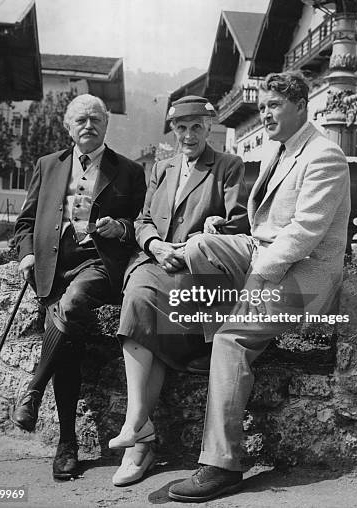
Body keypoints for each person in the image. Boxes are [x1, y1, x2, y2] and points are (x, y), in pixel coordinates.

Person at [168, 71, 351, 502]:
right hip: (266, 254)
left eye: (274, 106)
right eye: (264, 105)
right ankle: (208, 343)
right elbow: (266, 223)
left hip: (303, 277)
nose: (265, 113)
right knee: (200, 248)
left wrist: (256, 280)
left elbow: (303, 232)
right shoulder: (284, 150)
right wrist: (222, 228)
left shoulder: (324, 155)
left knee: (233, 339)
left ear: (301, 105)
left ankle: (221, 465)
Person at [109, 95, 249, 486]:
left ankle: (138, 436)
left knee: (151, 312)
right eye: (181, 128)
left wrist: (206, 234)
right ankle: (139, 426)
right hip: (155, 262)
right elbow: (142, 219)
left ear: (209, 129)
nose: (188, 135)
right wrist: (154, 244)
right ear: (173, 130)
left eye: (196, 127)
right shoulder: (162, 167)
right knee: (137, 295)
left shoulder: (227, 166)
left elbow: (239, 225)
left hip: (196, 271)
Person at [12, 94, 146, 481]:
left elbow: (140, 223)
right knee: (64, 340)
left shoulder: (129, 171)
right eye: (80, 120)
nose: (88, 126)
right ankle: (66, 443)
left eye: (95, 120)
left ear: (106, 125)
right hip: (53, 266)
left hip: (98, 265)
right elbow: (25, 222)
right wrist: (25, 255)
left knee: (70, 307)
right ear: (68, 127)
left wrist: (120, 227)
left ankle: (33, 388)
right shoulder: (47, 166)